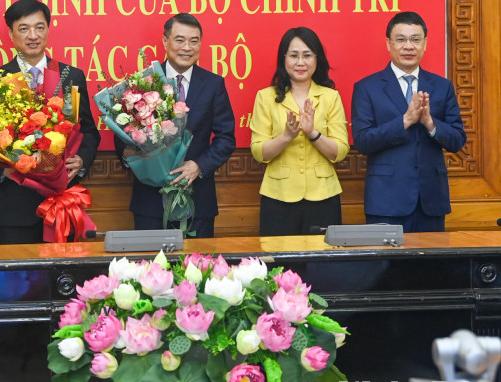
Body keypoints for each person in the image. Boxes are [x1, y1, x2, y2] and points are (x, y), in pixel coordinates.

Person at [0, 0, 100, 244]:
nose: (33, 35)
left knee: (62, 278)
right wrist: (4, 171)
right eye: (24, 28)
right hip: (15, 205)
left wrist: (81, 160)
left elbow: (89, 131)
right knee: (18, 281)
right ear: (11, 33)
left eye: (40, 28)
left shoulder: (70, 76)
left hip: (62, 200)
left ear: (48, 30)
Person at [115, 13, 235, 238]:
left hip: (198, 201)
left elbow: (226, 138)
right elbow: (123, 134)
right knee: (151, 271)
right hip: (149, 201)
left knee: (198, 271)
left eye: (194, 41)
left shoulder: (213, 84)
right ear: (165, 41)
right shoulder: (142, 83)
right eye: (179, 40)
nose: (187, 47)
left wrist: (198, 165)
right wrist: (135, 159)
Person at [351, 12, 466, 232]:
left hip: (430, 201)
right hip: (386, 201)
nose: (408, 46)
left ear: (425, 44)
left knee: (428, 266)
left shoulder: (442, 86)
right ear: (389, 43)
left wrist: (430, 123)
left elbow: (457, 140)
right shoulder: (367, 87)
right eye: (401, 39)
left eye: (415, 39)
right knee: (386, 267)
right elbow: (363, 141)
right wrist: (405, 120)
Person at [250, 27, 349, 236]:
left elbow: (340, 152)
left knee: (323, 267)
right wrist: (286, 136)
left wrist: (313, 133)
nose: (300, 63)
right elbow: (259, 153)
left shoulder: (330, 97)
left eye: (307, 56)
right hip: (278, 198)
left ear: (317, 59)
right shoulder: (265, 97)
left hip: (323, 197)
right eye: (294, 56)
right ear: (283, 59)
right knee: (280, 267)